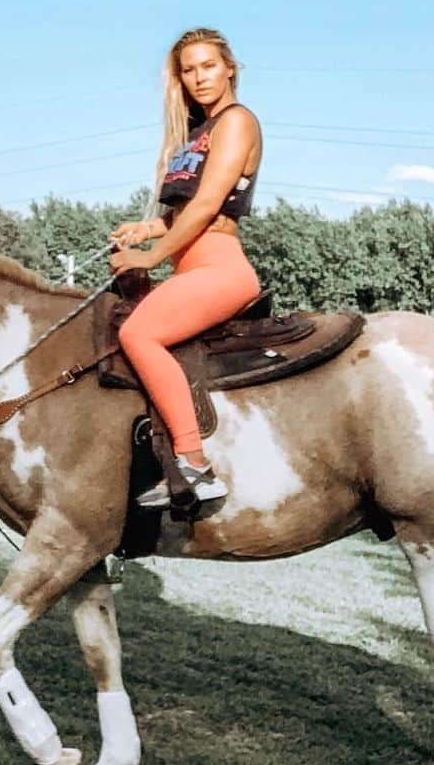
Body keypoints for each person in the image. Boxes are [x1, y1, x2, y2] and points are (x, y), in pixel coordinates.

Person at [109, 27, 262, 509]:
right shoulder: (198, 132)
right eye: (188, 70)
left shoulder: (237, 121)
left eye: (209, 66)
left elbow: (209, 206)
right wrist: (146, 230)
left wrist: (150, 258)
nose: (199, 78)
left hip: (220, 267)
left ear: (230, 67)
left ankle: (194, 464)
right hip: (191, 265)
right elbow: (182, 213)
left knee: (139, 335)